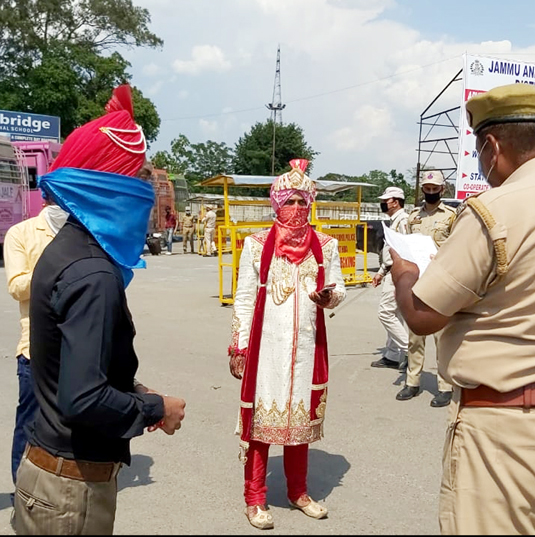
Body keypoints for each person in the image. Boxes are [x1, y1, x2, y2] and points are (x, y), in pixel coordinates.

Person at [390, 83, 535, 535]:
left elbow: (423, 315)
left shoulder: (495, 209)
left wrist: (405, 271)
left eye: (481, 155)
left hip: (512, 433)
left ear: (492, 145)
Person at [19, 85, 187, 535]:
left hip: (50, 474)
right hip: (69, 494)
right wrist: (156, 408)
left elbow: (72, 366)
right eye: (137, 178)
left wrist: (129, 388)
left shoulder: (68, 249)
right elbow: (82, 397)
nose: (145, 192)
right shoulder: (93, 272)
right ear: (111, 187)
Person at [228, 159, 344, 530]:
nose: (296, 209)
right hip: (267, 350)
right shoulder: (256, 244)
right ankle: (255, 497)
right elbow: (244, 298)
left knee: (300, 423)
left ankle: (298, 492)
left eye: (301, 202)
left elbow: (339, 286)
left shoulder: (324, 245)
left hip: (308, 348)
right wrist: (239, 347)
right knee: (261, 424)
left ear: (311, 204)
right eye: (289, 201)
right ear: (275, 203)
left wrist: (331, 297)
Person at [3, 198, 67, 485]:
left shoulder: (82, 231)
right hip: (37, 349)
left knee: (73, 424)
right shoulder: (21, 233)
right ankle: (23, 492)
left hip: (79, 345)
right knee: (30, 423)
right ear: (47, 197)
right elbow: (17, 286)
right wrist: (55, 269)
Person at [395, 170, 456, 407]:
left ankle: (445, 386)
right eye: (427, 189)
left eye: (435, 189)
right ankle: (412, 382)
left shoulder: (451, 216)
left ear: (442, 189)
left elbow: (459, 245)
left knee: (443, 337)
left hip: (441, 280)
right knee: (415, 336)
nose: (430, 192)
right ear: (423, 190)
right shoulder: (413, 217)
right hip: (418, 281)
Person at [371, 185, 410, 370]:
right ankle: (392, 355)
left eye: (385, 201)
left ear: (395, 202)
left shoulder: (403, 221)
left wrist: (393, 272)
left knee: (386, 312)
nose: (382, 204)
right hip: (391, 270)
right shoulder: (395, 220)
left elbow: (404, 250)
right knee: (396, 314)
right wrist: (380, 271)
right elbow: (388, 251)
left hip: (398, 271)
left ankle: (409, 349)